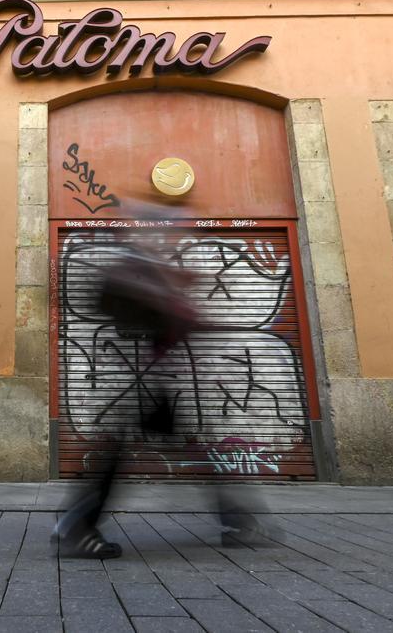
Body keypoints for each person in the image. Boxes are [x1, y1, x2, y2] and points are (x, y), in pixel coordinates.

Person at [52, 216, 280, 558]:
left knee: (184, 447)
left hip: (155, 379)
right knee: (139, 453)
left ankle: (237, 520)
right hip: (145, 380)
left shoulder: (147, 266)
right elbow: (143, 309)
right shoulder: (136, 267)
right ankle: (77, 525)